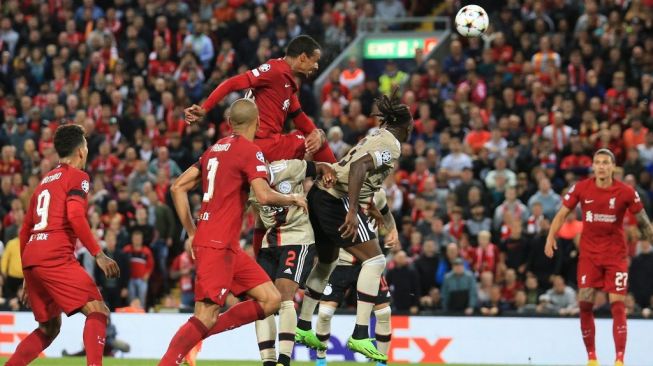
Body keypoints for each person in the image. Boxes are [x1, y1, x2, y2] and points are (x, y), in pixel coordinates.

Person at [158, 98, 307, 366]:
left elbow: (177, 187)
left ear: (230, 124)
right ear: (258, 122)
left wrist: (192, 232)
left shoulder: (214, 149)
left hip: (224, 244)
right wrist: (293, 199)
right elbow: (262, 194)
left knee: (271, 299)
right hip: (217, 245)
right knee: (205, 314)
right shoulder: (249, 151)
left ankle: (197, 335)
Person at [294, 89, 412, 362]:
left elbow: (356, 169)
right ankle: (360, 333)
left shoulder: (375, 135)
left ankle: (302, 326)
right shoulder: (392, 144)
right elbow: (359, 167)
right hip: (336, 202)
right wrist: (352, 211)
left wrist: (366, 204)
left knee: (326, 262)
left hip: (320, 195)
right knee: (375, 261)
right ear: (408, 126)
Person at [7, 124, 120, 366]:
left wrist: (29, 275)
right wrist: (98, 254)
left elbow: (25, 229)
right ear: (81, 151)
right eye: (87, 147)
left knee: (49, 328)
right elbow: (75, 216)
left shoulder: (44, 182)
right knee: (98, 310)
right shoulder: (77, 177)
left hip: (32, 258)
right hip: (55, 255)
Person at [545, 148, 653, 366]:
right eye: (598, 162)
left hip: (615, 256)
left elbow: (642, 221)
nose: (602, 166)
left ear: (613, 167)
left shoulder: (625, 192)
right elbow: (562, 213)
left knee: (617, 304)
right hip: (589, 255)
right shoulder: (582, 187)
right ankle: (592, 358)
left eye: (606, 162)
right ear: (593, 166)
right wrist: (550, 237)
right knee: (584, 303)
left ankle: (619, 359)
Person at [184, 35, 336, 163]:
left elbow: (299, 117)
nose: (316, 66)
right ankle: (338, 180)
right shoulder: (274, 70)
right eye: (314, 60)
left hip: (265, 143)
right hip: (262, 144)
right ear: (303, 57)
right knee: (315, 140)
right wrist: (205, 108)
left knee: (315, 135)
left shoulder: (287, 82)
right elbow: (233, 82)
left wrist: (316, 132)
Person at [249, 158, 335, 366]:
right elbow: (259, 220)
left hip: (297, 239)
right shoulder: (250, 183)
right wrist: (256, 250)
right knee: (262, 302)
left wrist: (328, 174)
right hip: (269, 245)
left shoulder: (291, 166)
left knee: (284, 296)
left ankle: (284, 360)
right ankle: (268, 362)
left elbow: (323, 166)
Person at [314, 190, 399, 366]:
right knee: (324, 314)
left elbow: (386, 213)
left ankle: (381, 363)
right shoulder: (338, 194)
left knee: (384, 313)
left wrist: (392, 230)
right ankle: (320, 361)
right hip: (341, 265)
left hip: (369, 264)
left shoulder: (378, 194)